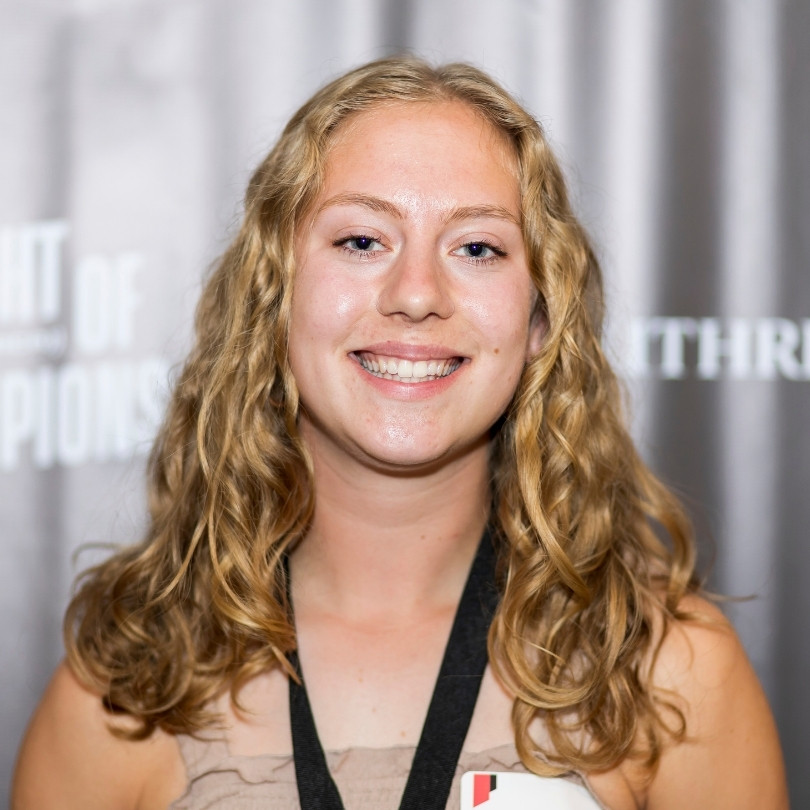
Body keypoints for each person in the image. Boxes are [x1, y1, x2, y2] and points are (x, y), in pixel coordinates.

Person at [12, 56, 787, 810]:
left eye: (477, 248)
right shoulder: (125, 691)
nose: (416, 294)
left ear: (539, 320)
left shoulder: (670, 673)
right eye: (362, 241)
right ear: (274, 294)